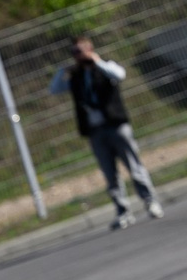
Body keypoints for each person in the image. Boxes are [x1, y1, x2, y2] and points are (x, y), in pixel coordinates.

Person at [50, 36, 163, 229]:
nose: (77, 56)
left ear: (90, 49)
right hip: (95, 131)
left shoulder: (104, 68)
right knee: (110, 175)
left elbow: (120, 74)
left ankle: (150, 201)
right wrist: (63, 70)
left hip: (116, 126)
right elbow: (54, 89)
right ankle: (123, 212)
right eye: (74, 53)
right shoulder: (76, 76)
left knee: (134, 166)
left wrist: (96, 61)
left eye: (80, 51)